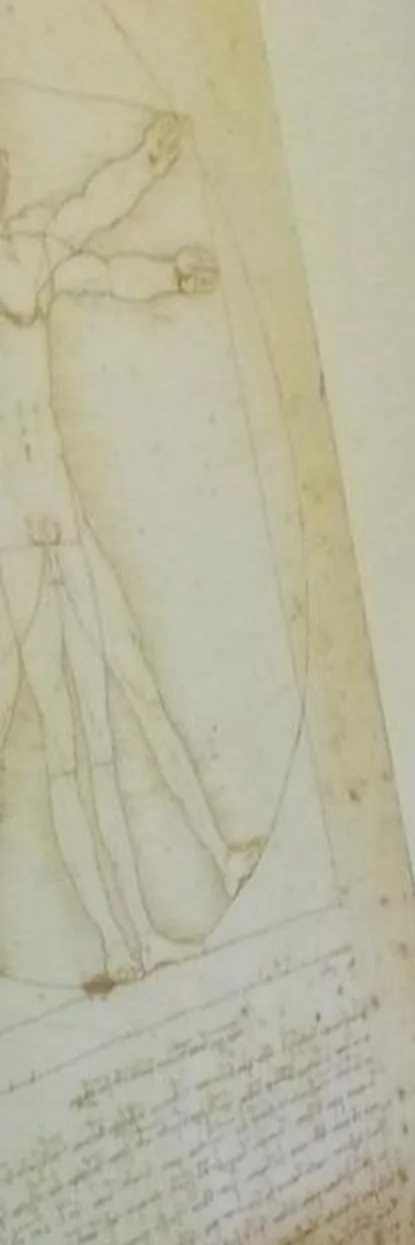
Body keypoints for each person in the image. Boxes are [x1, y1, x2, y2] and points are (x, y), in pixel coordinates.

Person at [0, 112, 251, 987]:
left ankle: (222, 863)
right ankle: (120, 944)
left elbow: (100, 252)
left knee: (135, 687)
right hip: (15, 549)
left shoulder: (32, 250)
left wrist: (171, 265)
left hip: (62, 516)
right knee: (73, 747)